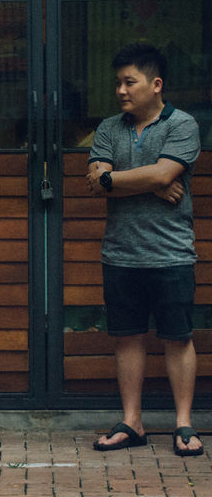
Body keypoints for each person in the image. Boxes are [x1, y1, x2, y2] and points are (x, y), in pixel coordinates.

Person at [86, 42, 203, 457]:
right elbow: (95, 175)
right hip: (120, 252)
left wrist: (120, 178)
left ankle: (184, 425)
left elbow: (167, 171)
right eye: (117, 82)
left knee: (177, 337)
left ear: (155, 85)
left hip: (171, 252)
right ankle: (131, 422)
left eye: (129, 82)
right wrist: (148, 181)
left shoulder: (183, 125)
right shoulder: (109, 128)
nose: (120, 90)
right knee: (127, 339)